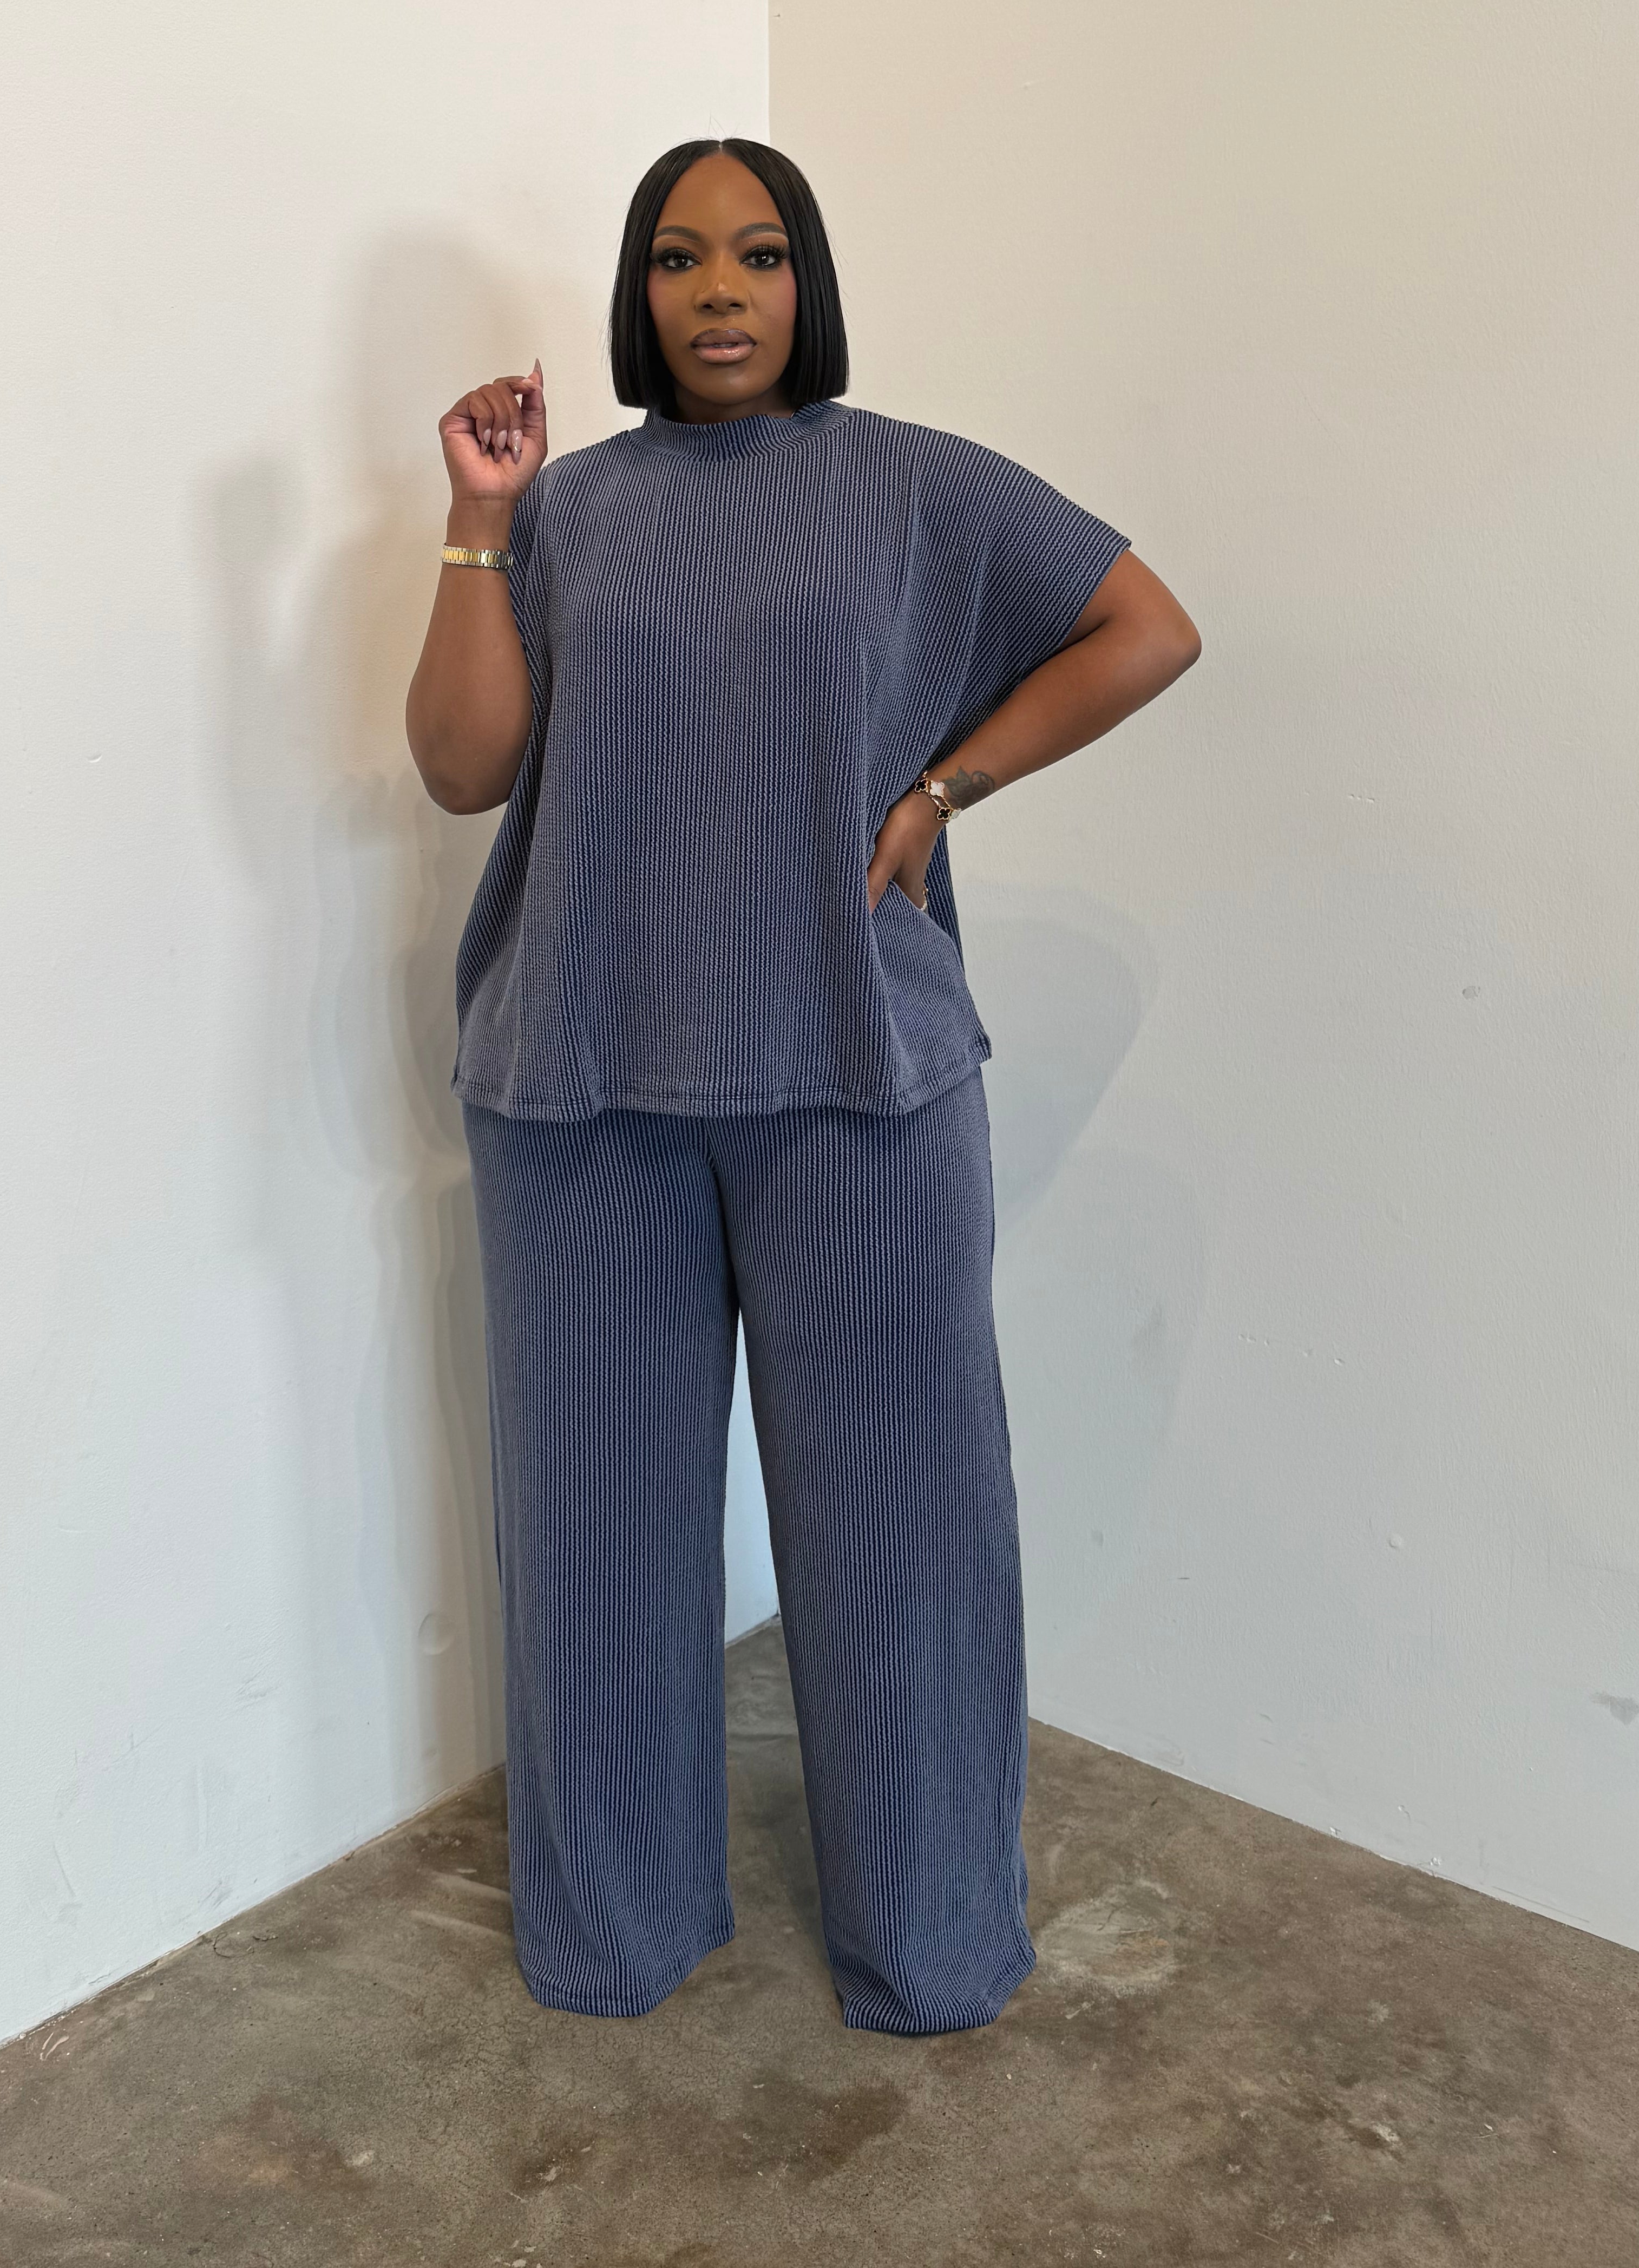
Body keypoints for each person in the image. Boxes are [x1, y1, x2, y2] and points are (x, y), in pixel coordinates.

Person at [405, 135, 1199, 2035]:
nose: (718, 292)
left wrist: (942, 789)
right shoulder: (567, 509)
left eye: (758, 255)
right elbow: (458, 767)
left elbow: (1146, 628)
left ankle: (932, 1940)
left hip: (859, 1076)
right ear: (639, 293)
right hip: (579, 1083)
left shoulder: (908, 485)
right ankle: (613, 1932)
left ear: (806, 281)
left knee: (905, 1536)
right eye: (678, 259)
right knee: (593, 1547)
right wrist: (478, 517)